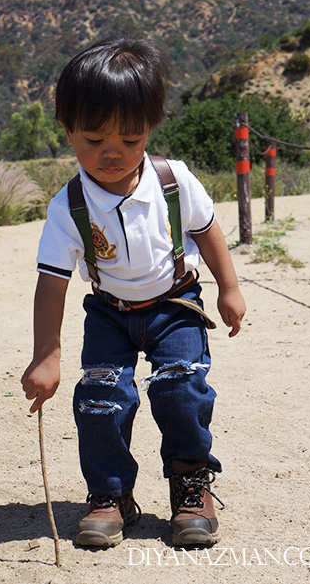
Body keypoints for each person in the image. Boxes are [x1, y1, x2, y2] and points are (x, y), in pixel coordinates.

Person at [21, 36, 246, 548]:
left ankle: (191, 485)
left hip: (175, 305)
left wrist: (228, 287)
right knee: (100, 397)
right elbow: (51, 282)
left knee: (180, 387)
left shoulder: (173, 181)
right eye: (94, 139)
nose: (113, 153)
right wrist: (46, 356)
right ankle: (110, 495)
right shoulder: (68, 207)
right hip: (109, 313)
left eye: (131, 137)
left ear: (150, 128)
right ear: (67, 130)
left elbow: (208, 228)